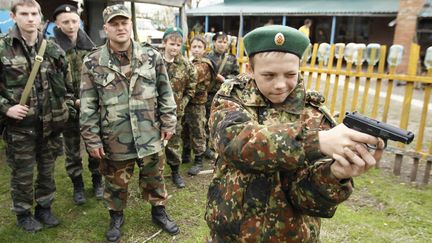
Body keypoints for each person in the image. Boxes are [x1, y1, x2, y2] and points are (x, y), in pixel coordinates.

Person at [205, 25, 385, 242]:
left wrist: (335, 174)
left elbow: (307, 200)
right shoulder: (231, 98)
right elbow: (235, 143)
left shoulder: (314, 114)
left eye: (290, 74)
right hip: (231, 233)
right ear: (250, 70)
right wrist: (314, 141)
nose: (280, 85)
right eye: (269, 75)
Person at [80, 5, 179, 242]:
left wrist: (169, 121)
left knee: (154, 175)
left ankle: (159, 211)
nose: (120, 27)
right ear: (106, 28)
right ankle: (116, 216)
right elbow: (88, 104)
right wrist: (91, 137)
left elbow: (166, 92)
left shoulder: (151, 56)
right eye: (114, 24)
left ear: (131, 24)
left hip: (149, 131)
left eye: (124, 23)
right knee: (115, 181)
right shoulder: (93, 61)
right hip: (115, 136)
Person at [0, 0, 73, 232]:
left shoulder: (53, 49)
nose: (30, 18)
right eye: (24, 14)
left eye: (34, 14)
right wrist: (5, 108)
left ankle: (45, 207)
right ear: (13, 16)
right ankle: (23, 213)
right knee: (22, 172)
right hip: (20, 127)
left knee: (47, 169)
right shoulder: (3, 48)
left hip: (50, 125)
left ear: (40, 17)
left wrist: (66, 109)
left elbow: (68, 87)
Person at [51, 4, 102, 205]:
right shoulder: (52, 49)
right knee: (72, 150)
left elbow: (98, 78)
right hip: (67, 108)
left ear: (79, 21)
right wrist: (72, 102)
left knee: (94, 146)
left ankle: (98, 181)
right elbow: (53, 84)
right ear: (57, 23)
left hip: (90, 108)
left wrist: (89, 101)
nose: (71, 26)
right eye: (65, 22)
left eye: (74, 21)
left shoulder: (91, 47)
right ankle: (78, 185)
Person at [161, 27, 197, 188]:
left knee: (174, 143)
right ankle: (152, 175)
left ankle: (175, 172)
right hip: (153, 111)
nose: (175, 47)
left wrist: (183, 102)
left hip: (175, 112)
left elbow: (191, 87)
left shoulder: (186, 65)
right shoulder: (155, 61)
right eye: (171, 44)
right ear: (164, 43)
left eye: (178, 44)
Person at [183, 36, 215, 176]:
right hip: (187, 102)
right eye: (194, 46)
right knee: (185, 129)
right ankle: (185, 154)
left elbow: (191, 77)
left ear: (205, 49)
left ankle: (199, 160)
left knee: (198, 131)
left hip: (197, 103)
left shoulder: (204, 65)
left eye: (199, 47)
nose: (196, 49)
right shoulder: (191, 62)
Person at [205, 31, 239, 159]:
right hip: (209, 95)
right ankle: (206, 148)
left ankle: (220, 146)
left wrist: (224, 79)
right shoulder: (207, 57)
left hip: (224, 95)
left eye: (224, 42)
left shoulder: (231, 58)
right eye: (219, 41)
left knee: (223, 121)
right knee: (207, 121)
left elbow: (237, 76)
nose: (222, 44)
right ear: (214, 42)